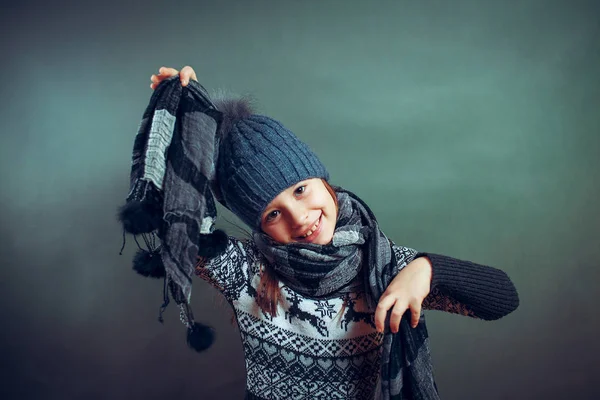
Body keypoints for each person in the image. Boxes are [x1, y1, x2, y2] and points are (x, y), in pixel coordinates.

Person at [128, 66, 519, 400]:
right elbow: (174, 219)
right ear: (258, 227)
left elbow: (503, 297)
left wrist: (427, 269)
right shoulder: (243, 274)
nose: (299, 218)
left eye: (301, 190)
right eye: (274, 213)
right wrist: (185, 118)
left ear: (321, 178)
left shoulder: (384, 269)